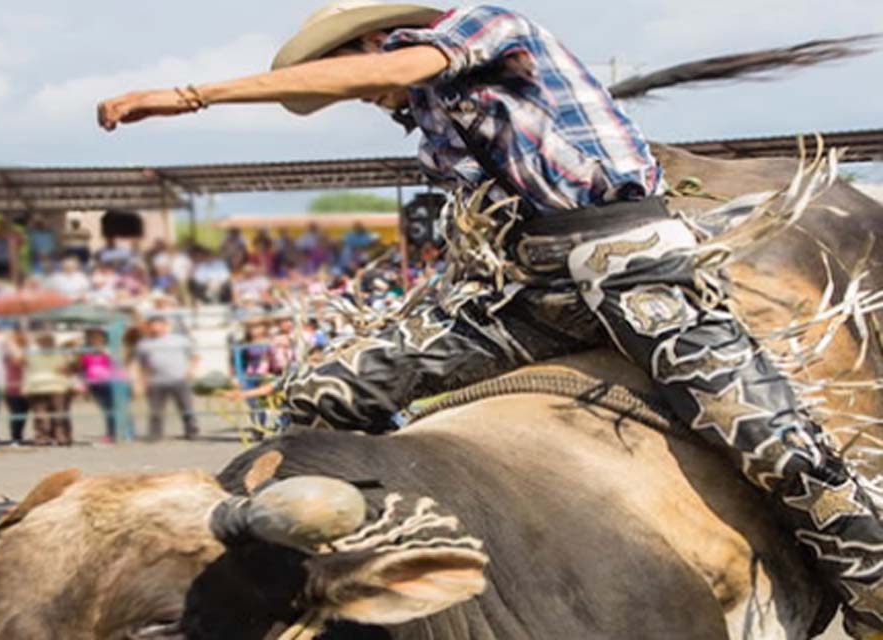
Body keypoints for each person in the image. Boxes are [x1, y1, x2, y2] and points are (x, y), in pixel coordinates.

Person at [97, 3, 883, 635]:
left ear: (372, 40)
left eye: (345, 76)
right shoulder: (429, 116)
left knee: (781, 446)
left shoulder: (485, 25)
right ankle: (371, 541)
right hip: (532, 290)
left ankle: (874, 596)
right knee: (324, 389)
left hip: (633, 264)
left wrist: (192, 95)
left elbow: (395, 69)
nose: (360, 98)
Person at [134, 315, 199, 441]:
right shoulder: (143, 344)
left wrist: (190, 370)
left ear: (165, 326)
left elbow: (195, 355)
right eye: (152, 325)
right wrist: (143, 380)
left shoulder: (180, 340)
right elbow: (142, 364)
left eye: (158, 325)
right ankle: (155, 434)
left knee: (186, 407)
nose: (155, 328)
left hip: (178, 379)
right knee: (155, 409)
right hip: (156, 382)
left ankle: (192, 431)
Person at [77, 328, 131, 442]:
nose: (95, 341)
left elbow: (119, 364)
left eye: (98, 338)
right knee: (107, 411)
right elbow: (83, 369)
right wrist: (83, 384)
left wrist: (105, 352)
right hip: (95, 385)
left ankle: (125, 433)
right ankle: (111, 434)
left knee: (118, 409)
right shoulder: (85, 352)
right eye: (92, 338)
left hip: (112, 383)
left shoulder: (110, 350)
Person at [22, 332, 73, 446]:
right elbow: (66, 368)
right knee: (58, 413)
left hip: (37, 386)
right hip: (57, 386)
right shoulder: (61, 353)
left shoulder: (31, 353)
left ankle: (43, 437)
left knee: (41, 414)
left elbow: (24, 365)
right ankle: (60, 437)